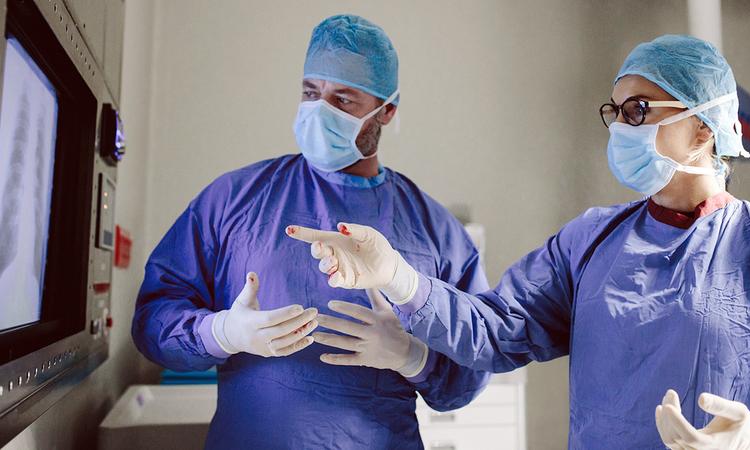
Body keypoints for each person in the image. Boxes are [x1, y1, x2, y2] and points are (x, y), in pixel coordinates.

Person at [287, 35, 750, 449]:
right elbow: (493, 332)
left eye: (639, 111)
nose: (620, 128)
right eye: (615, 112)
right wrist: (396, 276)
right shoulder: (591, 241)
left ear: (703, 128)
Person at [131, 14, 491, 449]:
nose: (320, 110)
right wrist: (223, 332)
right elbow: (153, 320)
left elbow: (471, 371)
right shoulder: (233, 200)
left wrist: (410, 356)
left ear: (387, 111)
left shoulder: (436, 232)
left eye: (343, 100)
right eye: (310, 93)